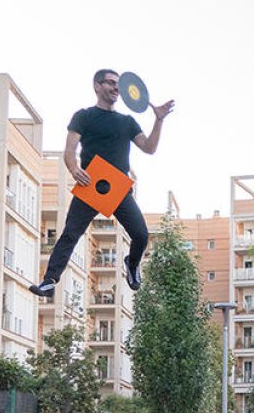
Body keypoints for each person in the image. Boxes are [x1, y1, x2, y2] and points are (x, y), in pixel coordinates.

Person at [29, 69, 174, 297]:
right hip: (91, 183)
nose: (116, 88)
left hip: (118, 187)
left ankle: (132, 264)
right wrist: (75, 169)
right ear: (97, 86)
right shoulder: (84, 116)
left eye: (118, 84)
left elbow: (149, 148)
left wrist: (158, 120)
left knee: (141, 234)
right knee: (70, 234)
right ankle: (49, 281)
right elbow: (70, 150)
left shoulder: (127, 122)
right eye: (110, 83)